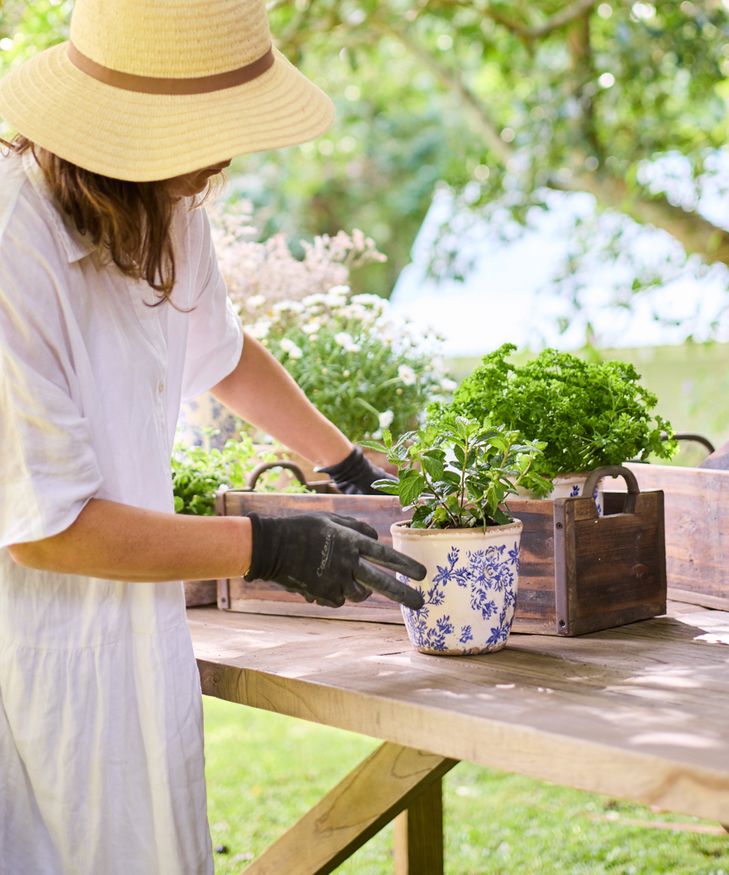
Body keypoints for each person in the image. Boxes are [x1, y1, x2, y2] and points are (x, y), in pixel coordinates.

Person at [0, 1, 426, 873]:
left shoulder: (164, 204)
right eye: (205, 131)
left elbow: (220, 356)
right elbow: (47, 527)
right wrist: (265, 544)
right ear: (128, 131)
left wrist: (345, 465)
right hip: (32, 657)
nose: (221, 160)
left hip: (133, 641)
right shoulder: (14, 244)